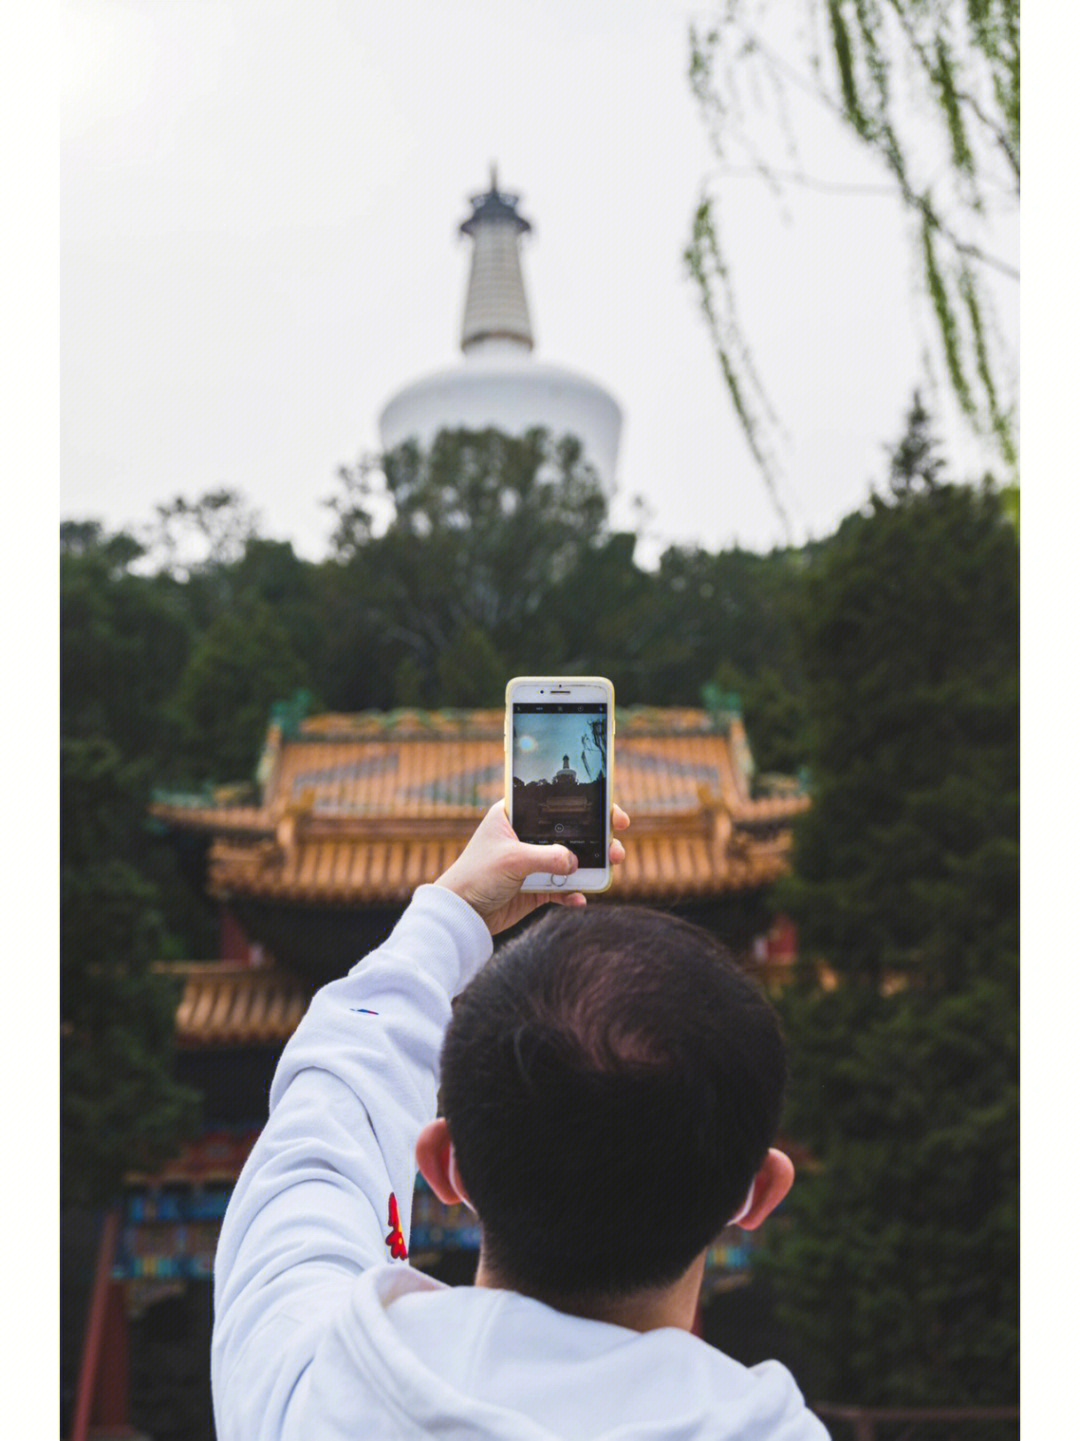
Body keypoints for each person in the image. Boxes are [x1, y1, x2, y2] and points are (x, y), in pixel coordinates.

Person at [211, 801, 827, 1439]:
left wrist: (452, 915)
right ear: (760, 1192)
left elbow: (322, 1125)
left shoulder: (307, 1391)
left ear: (447, 1166)